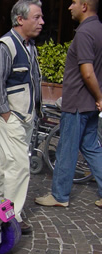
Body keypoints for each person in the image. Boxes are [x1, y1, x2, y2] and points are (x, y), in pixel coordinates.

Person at [35, 0, 102, 209]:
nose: (69, 7)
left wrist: (99, 97)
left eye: (73, 2)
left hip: (77, 103)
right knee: (91, 147)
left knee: (66, 149)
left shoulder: (84, 33)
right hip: (88, 103)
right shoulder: (98, 28)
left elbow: (87, 71)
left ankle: (59, 195)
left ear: (84, 6)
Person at [0, 0, 44, 234]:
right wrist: (7, 115)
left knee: (6, 160)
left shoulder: (29, 45)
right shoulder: (4, 45)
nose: (42, 22)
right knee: (19, 165)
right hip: (11, 116)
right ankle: (12, 217)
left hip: (24, 115)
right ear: (20, 19)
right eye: (37, 17)